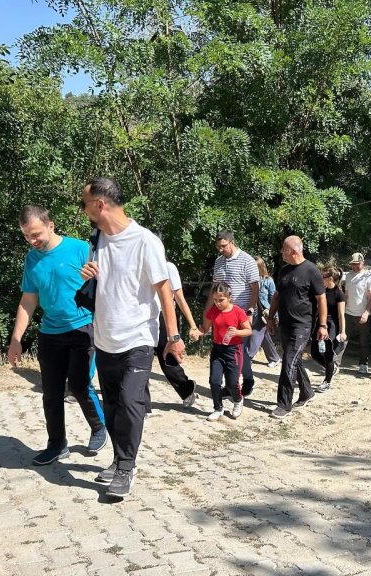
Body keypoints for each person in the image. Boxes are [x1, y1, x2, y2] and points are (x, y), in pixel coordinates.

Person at [78, 177, 184, 499]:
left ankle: (127, 466)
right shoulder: (97, 239)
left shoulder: (145, 241)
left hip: (138, 336)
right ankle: (117, 458)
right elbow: (105, 283)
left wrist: (173, 335)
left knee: (129, 401)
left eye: (84, 205)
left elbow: (164, 291)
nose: (83, 211)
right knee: (111, 404)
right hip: (104, 336)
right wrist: (88, 274)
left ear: (100, 204)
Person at [7, 205, 107, 465]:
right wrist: (16, 339)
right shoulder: (32, 259)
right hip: (50, 333)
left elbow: (106, 284)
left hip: (84, 327)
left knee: (79, 385)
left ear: (50, 225)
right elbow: (28, 299)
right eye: (27, 236)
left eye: (36, 234)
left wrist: (97, 275)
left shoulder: (79, 249)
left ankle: (99, 427)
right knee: (51, 392)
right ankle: (56, 444)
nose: (33, 241)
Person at [266, 236, 327, 418]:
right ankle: (307, 392)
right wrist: (270, 317)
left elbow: (321, 299)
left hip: (303, 325)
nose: (281, 252)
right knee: (294, 361)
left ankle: (283, 405)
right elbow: (276, 295)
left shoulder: (311, 271)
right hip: (285, 323)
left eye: (283, 249)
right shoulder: (284, 270)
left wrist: (322, 325)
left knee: (288, 361)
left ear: (293, 251)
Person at [208, 231, 260, 396]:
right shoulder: (219, 262)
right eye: (218, 247)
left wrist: (250, 310)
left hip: (241, 313)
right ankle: (239, 381)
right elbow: (215, 288)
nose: (220, 249)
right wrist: (209, 311)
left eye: (223, 246)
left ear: (231, 242)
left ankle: (240, 382)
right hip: (223, 314)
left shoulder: (247, 260)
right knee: (229, 349)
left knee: (237, 350)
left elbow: (254, 288)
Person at [148, 256, 201, 411]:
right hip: (143, 318)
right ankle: (142, 404)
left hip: (164, 316)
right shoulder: (137, 265)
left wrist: (192, 325)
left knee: (168, 359)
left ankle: (186, 390)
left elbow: (179, 298)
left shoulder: (168, 267)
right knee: (140, 358)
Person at [200, 282, 251, 421]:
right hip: (217, 350)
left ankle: (238, 399)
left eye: (221, 300)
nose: (217, 303)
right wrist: (197, 332)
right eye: (215, 300)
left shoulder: (238, 311)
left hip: (233, 351)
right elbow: (205, 329)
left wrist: (238, 332)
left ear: (229, 297)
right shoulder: (213, 311)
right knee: (214, 381)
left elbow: (248, 330)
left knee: (232, 383)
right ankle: (218, 408)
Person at [310, 267, 346, 393]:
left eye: (323, 277)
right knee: (314, 353)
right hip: (319, 323)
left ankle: (327, 381)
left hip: (331, 326)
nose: (320, 279)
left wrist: (343, 331)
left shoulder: (339, 294)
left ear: (330, 278)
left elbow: (341, 315)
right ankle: (331, 368)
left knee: (328, 354)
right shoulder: (321, 290)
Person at [343, 252, 371, 374]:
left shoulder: (368, 277)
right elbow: (346, 294)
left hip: (363, 313)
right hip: (349, 312)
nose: (355, 267)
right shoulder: (349, 276)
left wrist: (367, 312)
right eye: (353, 264)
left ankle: (363, 363)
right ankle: (335, 363)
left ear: (363, 263)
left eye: (357, 264)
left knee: (364, 340)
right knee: (343, 338)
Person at [248, 256, 281, 367]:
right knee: (264, 336)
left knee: (256, 334)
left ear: (260, 267)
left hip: (265, 313)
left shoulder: (268, 281)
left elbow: (273, 299)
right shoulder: (249, 281)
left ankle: (248, 357)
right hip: (253, 312)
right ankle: (275, 358)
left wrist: (273, 314)